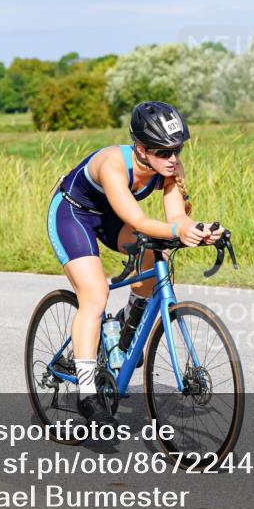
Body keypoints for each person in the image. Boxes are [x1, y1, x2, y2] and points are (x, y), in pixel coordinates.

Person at [46, 101, 224, 425]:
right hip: (74, 215)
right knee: (95, 295)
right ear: (141, 149)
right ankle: (86, 392)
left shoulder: (170, 168)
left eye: (177, 149)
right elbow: (139, 220)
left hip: (112, 218)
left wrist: (201, 230)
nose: (172, 159)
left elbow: (176, 219)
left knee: (160, 252)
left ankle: (128, 322)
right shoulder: (113, 164)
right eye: (163, 152)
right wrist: (180, 231)